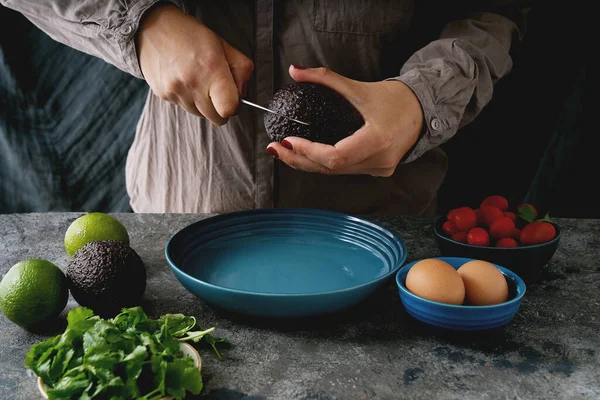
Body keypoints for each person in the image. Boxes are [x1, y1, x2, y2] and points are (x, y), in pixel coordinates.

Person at [0, 1, 527, 215]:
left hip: (380, 229)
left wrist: (420, 100)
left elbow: (493, 12)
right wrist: (141, 23)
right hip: (180, 215)